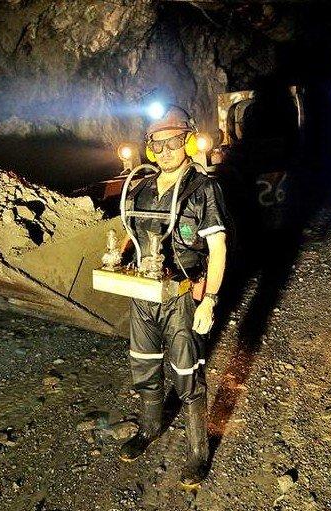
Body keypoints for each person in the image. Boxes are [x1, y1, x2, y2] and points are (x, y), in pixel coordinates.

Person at [118, 105, 228, 488]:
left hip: (182, 296)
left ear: (188, 143)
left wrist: (210, 299)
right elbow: (130, 237)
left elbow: (218, 247)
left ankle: (198, 452)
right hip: (144, 295)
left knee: (187, 373)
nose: (166, 152)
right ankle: (149, 428)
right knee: (144, 365)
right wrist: (116, 261)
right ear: (150, 148)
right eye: (158, 145)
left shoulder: (203, 189)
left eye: (174, 142)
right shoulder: (141, 188)